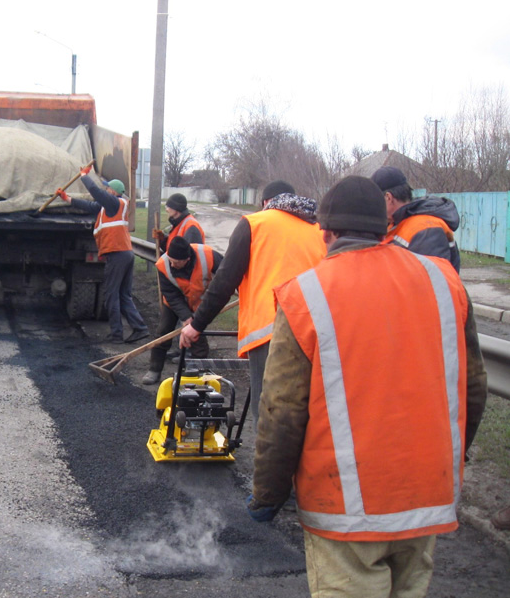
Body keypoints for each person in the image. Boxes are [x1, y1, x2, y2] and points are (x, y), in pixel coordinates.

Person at [247, 175, 488, 598]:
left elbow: (282, 409)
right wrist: (448, 458)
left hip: (346, 511)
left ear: (327, 231)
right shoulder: (445, 281)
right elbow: (473, 388)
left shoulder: (306, 293)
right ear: (385, 223)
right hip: (425, 495)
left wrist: (269, 492)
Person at [180, 180, 326, 419]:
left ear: (265, 203)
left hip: (272, 332)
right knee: (305, 413)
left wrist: (196, 325)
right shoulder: (318, 228)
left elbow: (225, 280)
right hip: (316, 333)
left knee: (270, 413)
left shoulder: (255, 223)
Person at [57, 175, 149, 344]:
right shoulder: (108, 208)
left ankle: (116, 334)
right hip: (125, 254)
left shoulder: (115, 203)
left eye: (108, 188)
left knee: (111, 294)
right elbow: (90, 205)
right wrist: (67, 198)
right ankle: (140, 328)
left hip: (117, 255)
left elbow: (96, 193)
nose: (106, 190)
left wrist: (85, 176)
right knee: (123, 295)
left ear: (113, 191)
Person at [141, 236, 223, 384]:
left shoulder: (208, 255)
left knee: (197, 335)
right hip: (174, 303)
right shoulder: (163, 264)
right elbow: (171, 294)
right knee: (163, 331)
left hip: (198, 301)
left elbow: (227, 272)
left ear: (187, 259)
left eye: (176, 262)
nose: (172, 264)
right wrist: (186, 317)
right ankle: (154, 369)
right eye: (171, 260)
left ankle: (198, 373)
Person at [371, 165, 461, 272]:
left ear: (388, 198)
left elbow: (431, 281)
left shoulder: (427, 228)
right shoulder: (397, 223)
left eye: (375, 201)